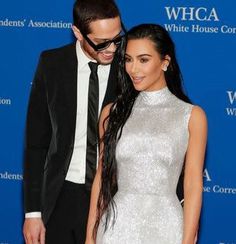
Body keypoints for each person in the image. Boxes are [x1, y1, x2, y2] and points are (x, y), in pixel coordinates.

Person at [85, 24, 207, 244]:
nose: (133, 69)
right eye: (128, 59)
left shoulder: (191, 116)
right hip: (116, 228)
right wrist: (90, 237)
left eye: (143, 60)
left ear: (165, 62)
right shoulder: (112, 113)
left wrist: (188, 240)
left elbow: (192, 184)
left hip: (166, 227)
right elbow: (102, 180)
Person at [23, 0, 124, 243]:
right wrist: (33, 213)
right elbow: (36, 144)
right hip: (61, 197)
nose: (112, 48)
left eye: (117, 38)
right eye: (101, 43)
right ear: (77, 32)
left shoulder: (130, 67)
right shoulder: (52, 64)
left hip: (114, 199)